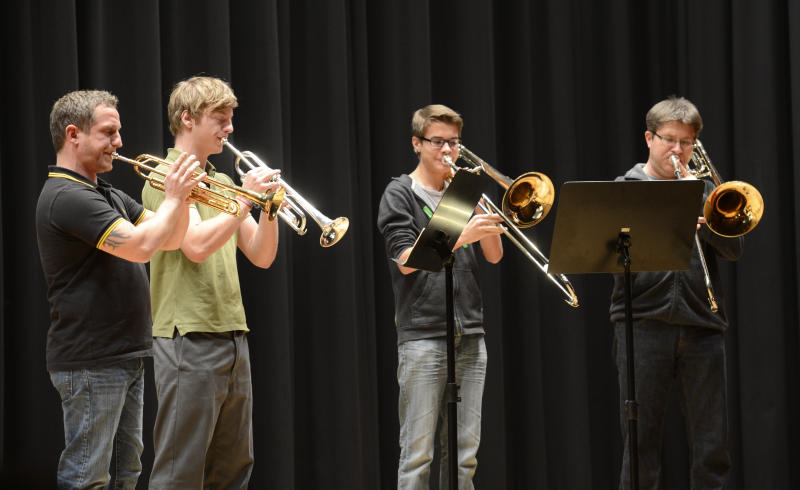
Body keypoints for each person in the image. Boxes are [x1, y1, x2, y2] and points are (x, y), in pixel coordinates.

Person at [36, 89, 202, 489]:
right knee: (87, 478)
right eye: (109, 133)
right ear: (73, 135)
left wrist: (181, 200)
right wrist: (174, 197)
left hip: (123, 354)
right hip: (92, 359)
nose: (120, 142)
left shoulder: (106, 193)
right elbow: (141, 247)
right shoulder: (67, 196)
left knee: (127, 475)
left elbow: (170, 239)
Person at [143, 76, 282, 489]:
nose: (230, 128)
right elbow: (196, 247)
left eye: (230, 118)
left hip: (232, 334)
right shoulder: (164, 176)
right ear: (188, 118)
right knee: (180, 470)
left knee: (234, 468)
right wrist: (244, 200)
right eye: (220, 118)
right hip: (187, 335)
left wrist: (270, 208)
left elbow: (261, 255)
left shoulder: (221, 181)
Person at [610, 96, 744, 490]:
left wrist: (701, 204)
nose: (677, 150)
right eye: (669, 139)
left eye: (686, 142)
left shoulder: (706, 190)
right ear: (649, 138)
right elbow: (603, 256)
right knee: (640, 444)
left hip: (702, 325)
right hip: (642, 323)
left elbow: (734, 250)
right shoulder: (625, 189)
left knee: (711, 447)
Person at [376, 104, 504, 489]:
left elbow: (494, 256)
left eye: (454, 142)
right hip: (423, 336)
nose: (447, 151)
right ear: (417, 143)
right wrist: (461, 234)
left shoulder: (463, 191)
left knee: (465, 456)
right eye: (437, 142)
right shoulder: (400, 193)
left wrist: (482, 207)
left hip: (471, 334)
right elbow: (405, 260)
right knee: (418, 456)